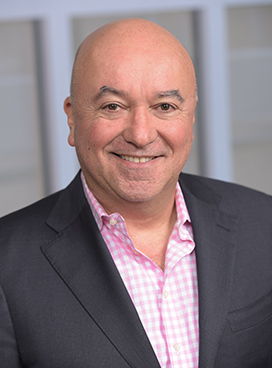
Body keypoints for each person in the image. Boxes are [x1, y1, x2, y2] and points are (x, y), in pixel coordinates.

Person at [0, 18, 271, 368]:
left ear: (190, 118)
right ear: (72, 118)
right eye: (113, 106)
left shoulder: (263, 224)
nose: (141, 135)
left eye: (165, 107)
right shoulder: (7, 266)